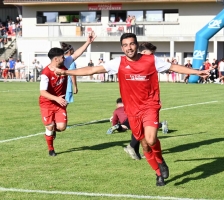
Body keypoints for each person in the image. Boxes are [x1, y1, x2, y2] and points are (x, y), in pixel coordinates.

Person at [54, 33, 209, 186]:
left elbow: (174, 67)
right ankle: (157, 173)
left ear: (137, 44)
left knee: (151, 139)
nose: (129, 47)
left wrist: (196, 71)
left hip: (150, 105)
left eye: (132, 44)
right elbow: (92, 70)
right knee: (144, 144)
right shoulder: (118, 63)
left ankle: (161, 161)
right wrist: (67, 72)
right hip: (132, 111)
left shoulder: (150, 60)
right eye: (126, 45)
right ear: (122, 48)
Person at [40, 32, 96, 157]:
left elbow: (76, 54)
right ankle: (51, 149)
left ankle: (54, 129)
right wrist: (56, 99)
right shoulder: (45, 73)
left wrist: (88, 42)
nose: (64, 58)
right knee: (49, 127)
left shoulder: (64, 65)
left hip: (60, 102)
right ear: (56, 59)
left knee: (62, 127)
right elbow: (42, 92)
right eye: (62, 57)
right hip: (47, 103)